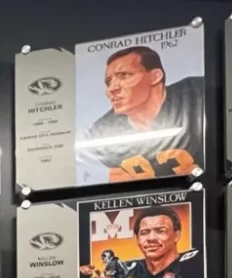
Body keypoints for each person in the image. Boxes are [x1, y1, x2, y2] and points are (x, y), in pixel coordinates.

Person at [83, 45, 203, 182]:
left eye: (123, 75)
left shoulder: (198, 94)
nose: (112, 89)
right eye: (108, 82)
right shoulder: (101, 131)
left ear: (155, 76)